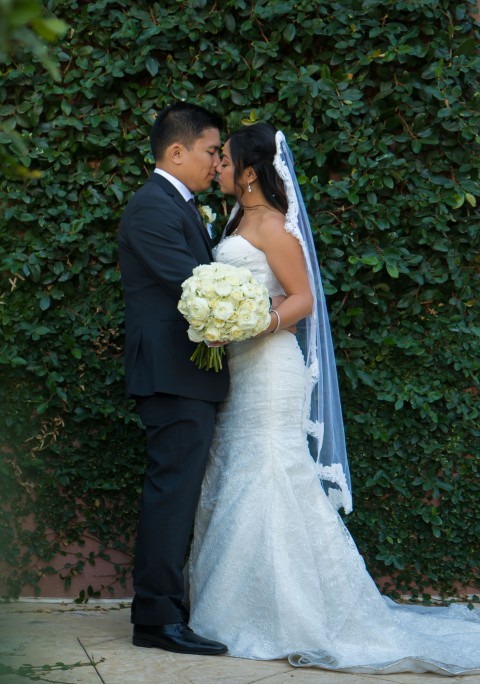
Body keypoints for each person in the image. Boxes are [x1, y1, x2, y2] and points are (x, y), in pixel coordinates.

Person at [188, 122, 480, 674]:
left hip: (271, 368)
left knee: (272, 472)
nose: (219, 167)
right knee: (236, 471)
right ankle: (235, 606)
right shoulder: (234, 220)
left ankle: (292, 615)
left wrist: (254, 323)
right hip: (239, 371)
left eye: (225, 160)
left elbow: (303, 300)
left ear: (250, 171)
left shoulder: (273, 226)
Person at [116, 102, 229, 656]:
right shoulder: (152, 208)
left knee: (178, 492)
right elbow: (195, 289)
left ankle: (165, 611)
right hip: (172, 374)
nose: (217, 162)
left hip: (185, 375)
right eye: (212, 151)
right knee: (171, 494)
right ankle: (157, 619)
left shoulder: (178, 204)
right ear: (176, 152)